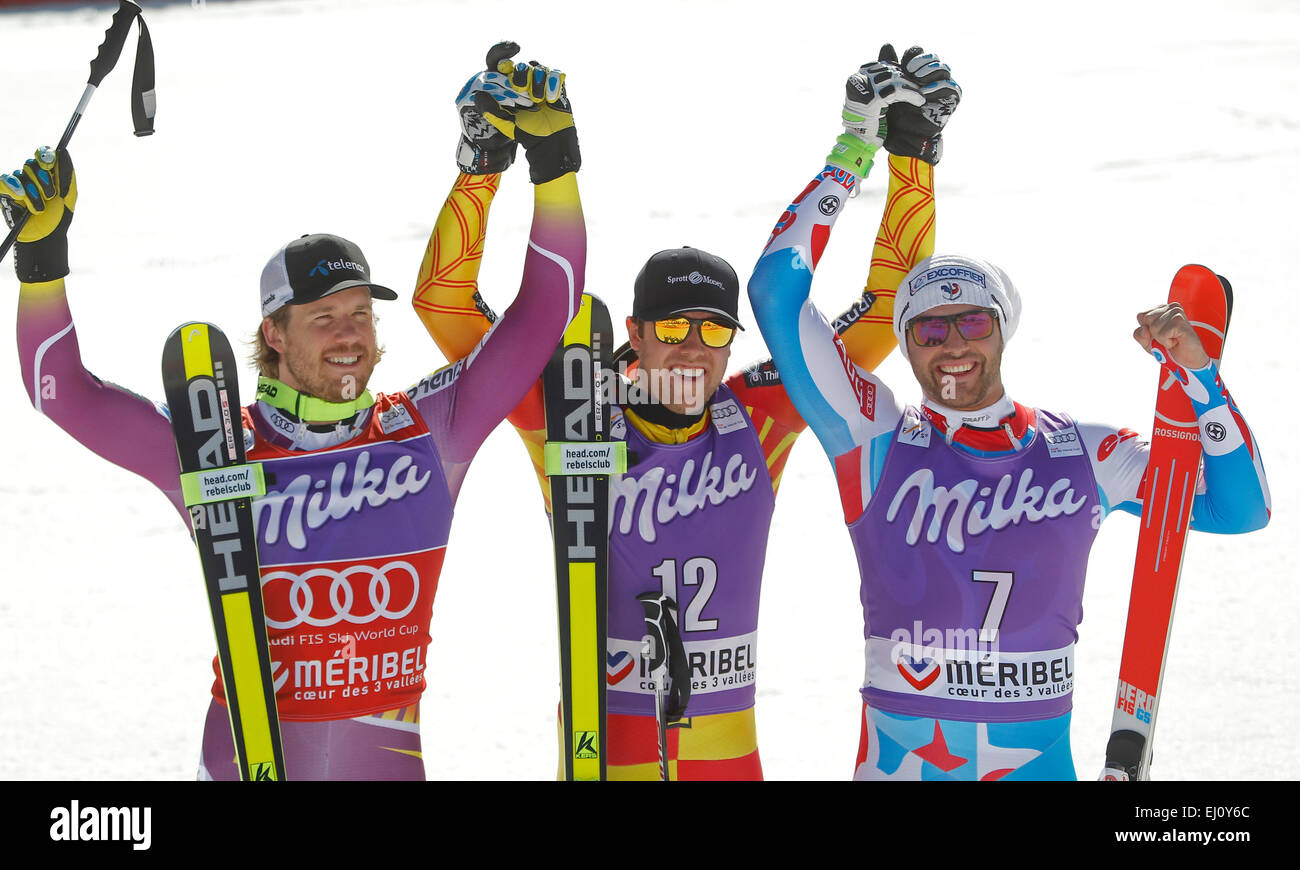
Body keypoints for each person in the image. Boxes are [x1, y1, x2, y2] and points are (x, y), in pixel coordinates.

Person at [3, 62, 584, 779]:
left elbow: (544, 316)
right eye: (324, 317)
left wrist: (555, 161)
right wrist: (40, 261)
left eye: (361, 314)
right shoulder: (220, 451)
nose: (350, 335)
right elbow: (60, 391)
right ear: (273, 334)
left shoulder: (429, 432)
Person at [412, 44, 958, 779]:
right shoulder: (568, 414)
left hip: (731, 760)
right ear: (634, 334)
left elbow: (888, 308)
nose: (693, 349)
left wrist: (904, 152)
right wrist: (483, 166)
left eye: (714, 330)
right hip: (610, 756)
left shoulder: (762, 417)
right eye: (672, 328)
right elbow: (443, 305)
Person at [747, 58, 1272, 780]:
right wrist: (851, 152)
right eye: (928, 331)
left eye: (972, 323)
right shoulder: (871, 437)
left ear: (1003, 330)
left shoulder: (1083, 453)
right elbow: (776, 293)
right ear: (903, 345)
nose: (953, 346)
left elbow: (1241, 510)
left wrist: (1202, 384)